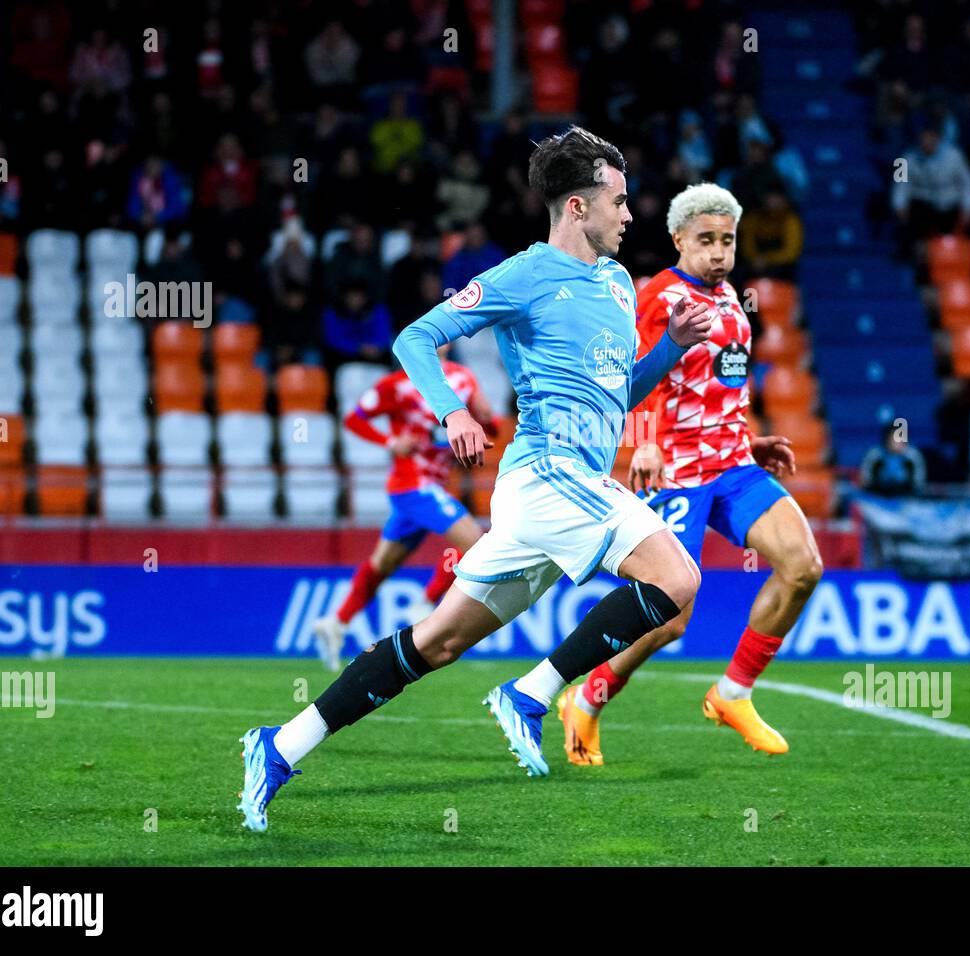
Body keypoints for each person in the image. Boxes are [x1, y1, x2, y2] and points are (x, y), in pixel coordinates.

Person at [236, 126, 714, 831]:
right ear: (577, 207)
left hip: (565, 488)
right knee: (678, 583)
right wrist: (453, 411)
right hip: (546, 474)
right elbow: (415, 338)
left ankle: (279, 744)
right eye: (619, 199)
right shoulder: (524, 274)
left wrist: (671, 347)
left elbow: (621, 396)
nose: (631, 214)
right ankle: (533, 692)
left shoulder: (617, 285)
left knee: (438, 642)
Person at [556, 183, 824, 765]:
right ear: (679, 239)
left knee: (803, 566)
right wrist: (644, 444)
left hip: (733, 465)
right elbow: (631, 373)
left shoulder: (732, 300)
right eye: (706, 240)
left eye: (727, 241)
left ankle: (733, 693)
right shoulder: (659, 295)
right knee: (669, 621)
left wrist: (751, 440)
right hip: (676, 474)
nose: (719, 252)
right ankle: (588, 697)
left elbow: (713, 390)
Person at [312, 342, 498, 671]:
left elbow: (489, 425)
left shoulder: (464, 379)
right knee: (477, 544)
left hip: (434, 485)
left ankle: (335, 623)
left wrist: (486, 421)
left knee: (381, 565)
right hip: (413, 485)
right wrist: (390, 442)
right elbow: (354, 419)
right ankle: (424, 604)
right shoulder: (396, 385)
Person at [860, 423, 928, 495]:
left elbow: (918, 483)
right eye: (894, 438)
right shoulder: (875, 455)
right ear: (886, 439)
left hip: (906, 497)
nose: (898, 442)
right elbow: (866, 481)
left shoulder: (913, 456)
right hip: (878, 496)